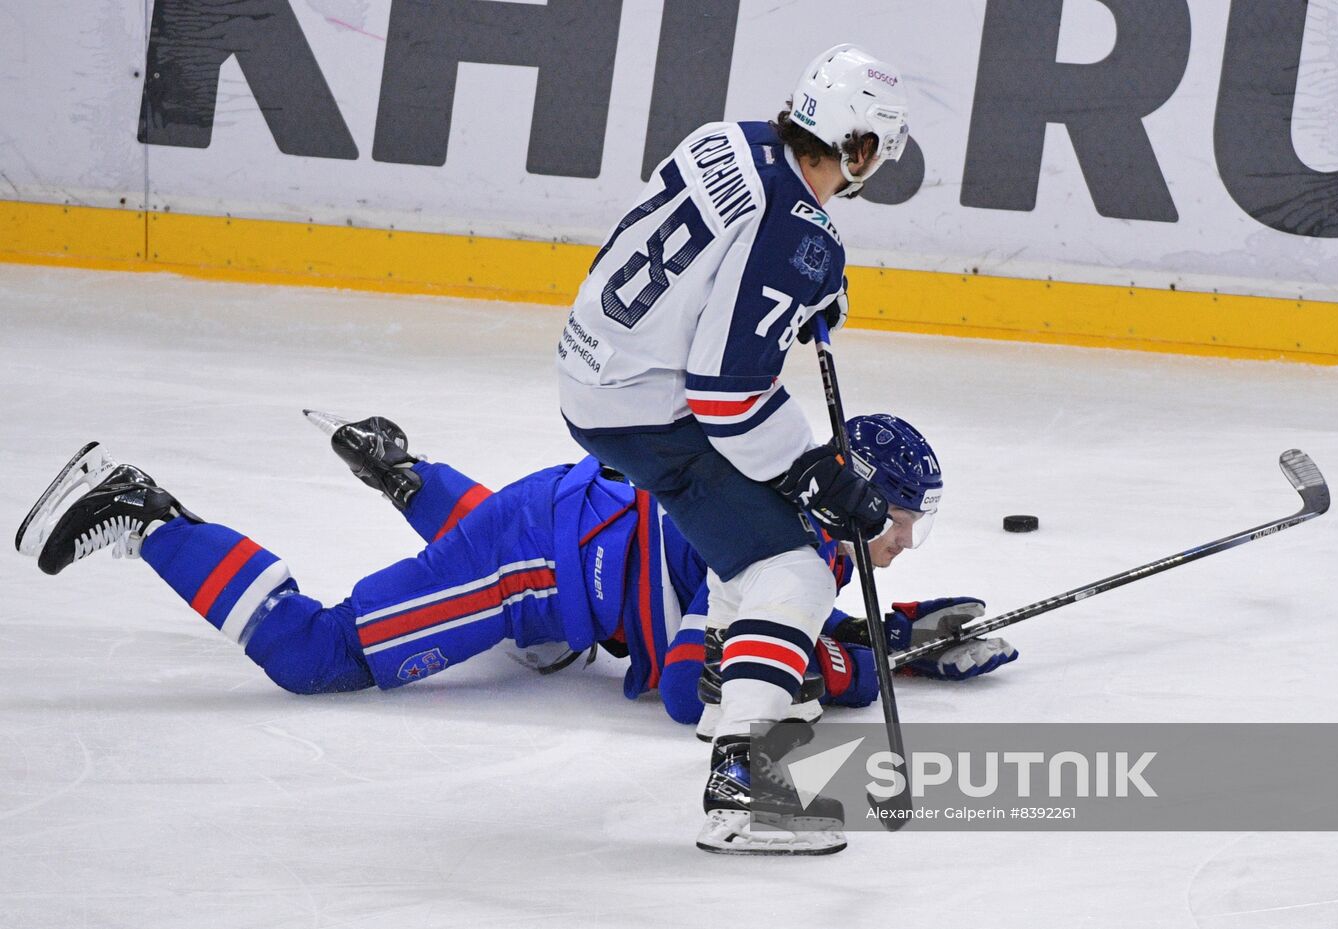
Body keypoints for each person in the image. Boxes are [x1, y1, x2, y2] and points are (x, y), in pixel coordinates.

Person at [15, 412, 1014, 721]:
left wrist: (900, 628)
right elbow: (685, 685)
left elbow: (760, 619)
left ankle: (405, 474)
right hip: (532, 564)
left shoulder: (806, 521)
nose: (904, 542)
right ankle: (145, 513)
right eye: (900, 522)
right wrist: (853, 669)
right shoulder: (762, 541)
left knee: (501, 548)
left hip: (567, 528)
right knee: (312, 652)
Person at [556, 43, 917, 851]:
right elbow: (725, 394)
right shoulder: (803, 234)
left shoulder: (727, 138)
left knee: (753, 523)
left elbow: (701, 268)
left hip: (590, 365)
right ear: (859, 148)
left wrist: (796, 290)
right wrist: (815, 470)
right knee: (790, 561)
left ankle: (730, 682)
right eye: (874, 156)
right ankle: (744, 779)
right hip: (646, 407)